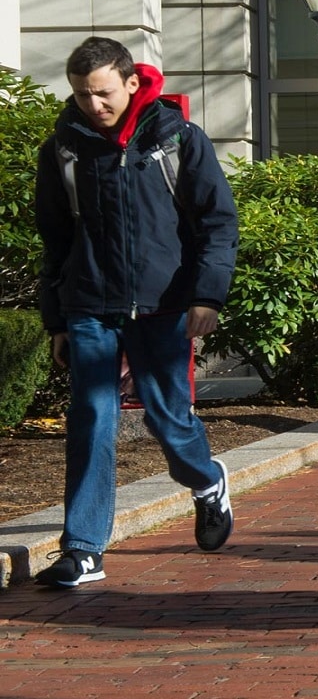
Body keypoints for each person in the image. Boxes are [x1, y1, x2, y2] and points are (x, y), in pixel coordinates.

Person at [34, 37, 239, 587]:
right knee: (92, 416)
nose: (92, 106)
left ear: (131, 82)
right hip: (89, 304)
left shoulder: (177, 139)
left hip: (162, 303)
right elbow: (54, 238)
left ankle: (206, 482)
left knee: (167, 419)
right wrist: (56, 318)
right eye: (81, 95)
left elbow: (218, 222)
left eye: (102, 94)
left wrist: (207, 296)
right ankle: (82, 549)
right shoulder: (64, 147)